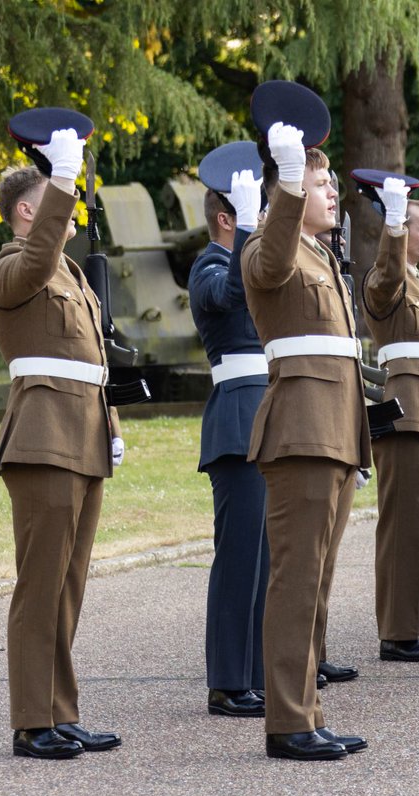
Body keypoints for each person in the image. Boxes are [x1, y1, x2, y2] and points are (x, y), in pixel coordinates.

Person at [0, 130, 122, 758]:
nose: (72, 214)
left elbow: (91, 359)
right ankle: (30, 720)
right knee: (40, 584)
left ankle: (59, 711)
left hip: (82, 436)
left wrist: (111, 428)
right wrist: (63, 180)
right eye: (58, 200)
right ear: (26, 212)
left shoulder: (70, 274)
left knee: (68, 586)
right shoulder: (12, 267)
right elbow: (35, 260)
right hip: (42, 439)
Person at [242, 119, 369, 760]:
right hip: (301, 430)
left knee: (315, 581)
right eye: (321, 184)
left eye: (326, 184)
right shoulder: (271, 247)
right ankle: (288, 721)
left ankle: (308, 712)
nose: (330, 195)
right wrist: (290, 181)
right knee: (296, 579)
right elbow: (271, 256)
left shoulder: (322, 258)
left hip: (334, 430)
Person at [189, 165, 269, 718]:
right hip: (237, 419)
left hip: (267, 415)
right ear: (227, 217)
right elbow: (229, 295)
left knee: (265, 558)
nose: (261, 218)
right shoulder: (209, 264)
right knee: (240, 556)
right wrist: (247, 230)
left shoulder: (244, 259)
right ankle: (226, 681)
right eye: (249, 209)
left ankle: (257, 672)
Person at [362, 185, 419, 663]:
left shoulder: (418, 280)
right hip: (403, 410)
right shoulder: (388, 277)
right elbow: (386, 276)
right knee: (402, 523)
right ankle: (397, 632)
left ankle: (414, 626)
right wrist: (395, 223)